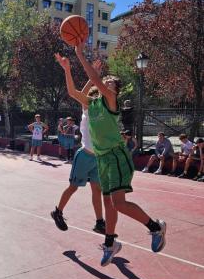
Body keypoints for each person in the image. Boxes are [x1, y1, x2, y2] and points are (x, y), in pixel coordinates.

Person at [55, 45, 166, 267]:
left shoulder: (111, 102)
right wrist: (67, 69)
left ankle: (156, 227)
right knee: (110, 205)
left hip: (116, 156)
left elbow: (94, 79)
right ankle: (110, 243)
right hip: (102, 159)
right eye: (105, 82)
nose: (106, 83)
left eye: (110, 83)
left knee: (119, 204)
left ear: (115, 89)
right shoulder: (92, 104)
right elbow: (72, 93)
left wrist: (79, 55)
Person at [51, 73, 107, 236]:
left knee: (97, 190)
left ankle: (99, 222)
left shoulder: (104, 113)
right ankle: (58, 212)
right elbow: (81, 93)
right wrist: (92, 78)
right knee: (73, 187)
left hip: (98, 158)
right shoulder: (87, 109)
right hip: (84, 156)